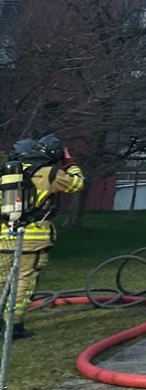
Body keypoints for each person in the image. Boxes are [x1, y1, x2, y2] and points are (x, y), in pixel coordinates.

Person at [1, 134, 85, 339]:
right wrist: (69, 163)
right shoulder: (50, 173)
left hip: (3, 236)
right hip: (33, 238)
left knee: (3, 281)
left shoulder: (7, 174)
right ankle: (14, 326)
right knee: (24, 282)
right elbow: (77, 184)